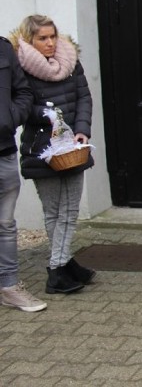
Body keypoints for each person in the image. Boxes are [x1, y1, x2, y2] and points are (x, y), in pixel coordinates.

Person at [10, 15, 96, 295]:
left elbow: (84, 96)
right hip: (41, 149)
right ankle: (57, 270)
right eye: (42, 38)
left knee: (69, 210)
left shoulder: (70, 61)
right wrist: (45, 114)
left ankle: (64, 262)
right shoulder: (19, 67)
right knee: (54, 211)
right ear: (29, 40)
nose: (49, 43)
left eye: (52, 36)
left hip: (73, 147)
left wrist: (82, 129)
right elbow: (20, 105)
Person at [0, 35, 45, 312]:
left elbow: (23, 91)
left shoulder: (3, 48)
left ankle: (9, 286)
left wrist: (10, 118)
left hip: (4, 151)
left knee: (5, 225)